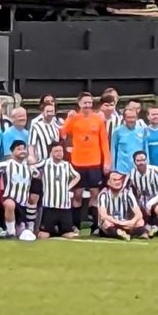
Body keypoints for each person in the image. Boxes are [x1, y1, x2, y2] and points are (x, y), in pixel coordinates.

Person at [61, 92, 109, 233]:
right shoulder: (74, 118)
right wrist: (68, 119)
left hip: (95, 162)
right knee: (77, 194)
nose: (87, 105)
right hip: (78, 162)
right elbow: (63, 133)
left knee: (95, 193)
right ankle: (76, 225)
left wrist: (107, 161)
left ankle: (95, 225)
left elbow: (104, 142)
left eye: (89, 102)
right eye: (85, 102)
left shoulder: (98, 119)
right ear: (79, 103)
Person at [0, 140, 35, 238]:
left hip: (23, 204)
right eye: (18, 149)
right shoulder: (7, 164)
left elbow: (39, 174)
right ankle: (11, 233)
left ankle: (10, 230)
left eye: (23, 149)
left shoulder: (29, 167)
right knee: (10, 204)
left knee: (23, 233)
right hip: (8, 199)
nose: (22, 151)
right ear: (12, 152)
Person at [36, 143, 80, 239]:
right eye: (56, 151)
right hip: (49, 205)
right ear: (51, 153)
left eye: (61, 151)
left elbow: (77, 176)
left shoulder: (66, 165)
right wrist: (37, 175)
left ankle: (60, 230)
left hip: (64, 206)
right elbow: (32, 168)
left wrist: (68, 187)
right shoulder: (45, 163)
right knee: (44, 235)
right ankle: (51, 230)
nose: (59, 153)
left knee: (70, 235)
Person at [96, 171, 148, 240]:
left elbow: (139, 214)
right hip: (113, 223)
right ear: (108, 182)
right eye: (114, 180)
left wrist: (131, 221)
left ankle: (139, 233)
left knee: (140, 221)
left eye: (119, 179)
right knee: (106, 223)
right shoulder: (103, 195)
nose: (118, 182)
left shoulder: (128, 192)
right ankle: (119, 233)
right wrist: (119, 222)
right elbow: (103, 215)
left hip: (126, 222)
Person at [27, 102, 61, 208]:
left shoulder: (56, 126)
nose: (50, 113)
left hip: (54, 165)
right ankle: (31, 222)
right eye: (48, 111)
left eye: (52, 111)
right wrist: (32, 159)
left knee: (50, 193)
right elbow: (31, 145)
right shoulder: (36, 126)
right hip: (40, 164)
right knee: (35, 195)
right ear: (42, 112)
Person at [128, 151, 158, 235]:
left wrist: (150, 204)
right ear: (134, 162)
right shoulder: (132, 173)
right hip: (143, 200)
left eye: (143, 160)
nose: (141, 163)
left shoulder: (155, 170)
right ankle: (154, 227)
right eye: (138, 160)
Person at [109, 107, 147, 178]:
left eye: (133, 117)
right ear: (124, 118)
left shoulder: (142, 130)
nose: (131, 120)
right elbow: (113, 150)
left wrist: (147, 165)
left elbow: (146, 149)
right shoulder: (118, 131)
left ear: (137, 118)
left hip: (139, 169)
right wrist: (113, 169)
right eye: (128, 117)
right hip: (122, 170)